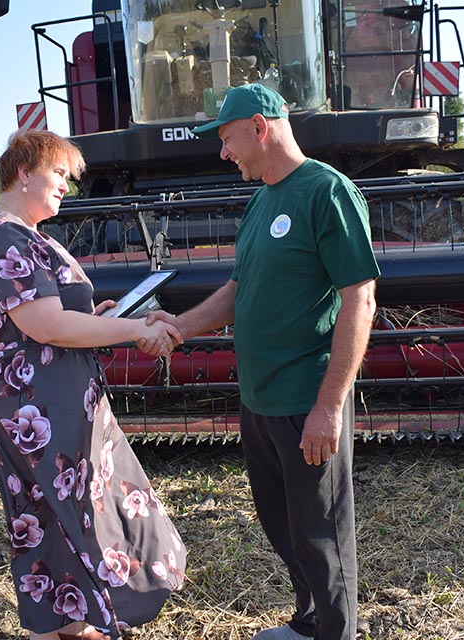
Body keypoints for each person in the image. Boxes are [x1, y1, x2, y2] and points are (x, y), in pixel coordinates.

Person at [147, 83, 379, 640]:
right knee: (283, 525)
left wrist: (330, 406)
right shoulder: (260, 203)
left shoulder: (327, 192)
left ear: (259, 127)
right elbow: (238, 290)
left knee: (321, 534)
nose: (223, 152)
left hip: (306, 400)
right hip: (260, 401)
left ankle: (336, 633)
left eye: (227, 138)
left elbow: (360, 299)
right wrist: (178, 326)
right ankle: (309, 622)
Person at [0, 129, 187, 640]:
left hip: (51, 394)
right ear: (24, 173)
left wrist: (103, 316)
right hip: (34, 402)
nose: (67, 185)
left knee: (58, 507)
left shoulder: (29, 234)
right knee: (68, 507)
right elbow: (45, 326)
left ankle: (68, 618)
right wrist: (132, 329)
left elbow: (56, 317)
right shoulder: (3, 235)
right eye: (59, 173)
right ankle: (55, 626)